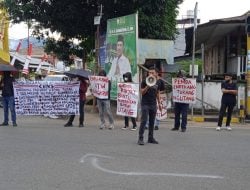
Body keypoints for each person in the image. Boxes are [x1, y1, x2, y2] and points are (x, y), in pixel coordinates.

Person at [137, 67, 161, 145]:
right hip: (145, 104)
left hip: (153, 104)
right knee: (144, 121)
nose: (150, 74)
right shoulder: (144, 81)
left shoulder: (158, 82)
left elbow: (157, 93)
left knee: (152, 122)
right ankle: (140, 138)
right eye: (149, 72)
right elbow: (142, 93)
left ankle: (150, 138)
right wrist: (148, 85)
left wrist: (159, 104)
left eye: (152, 73)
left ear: (156, 74)